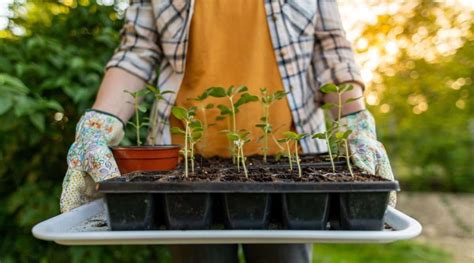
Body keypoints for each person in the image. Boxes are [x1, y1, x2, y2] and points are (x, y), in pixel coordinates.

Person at [59, 0, 395, 262]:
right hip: (183, 170)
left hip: (292, 168)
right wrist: (98, 126)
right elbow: (138, 49)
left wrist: (355, 121)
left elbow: (331, 49)